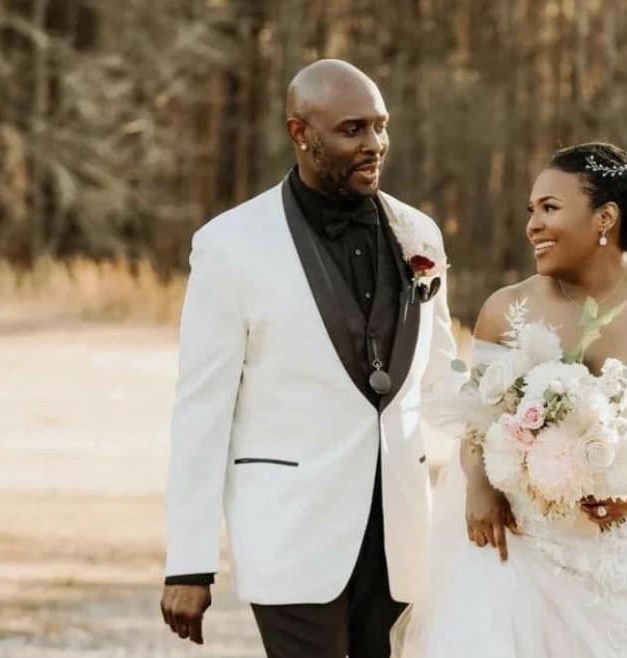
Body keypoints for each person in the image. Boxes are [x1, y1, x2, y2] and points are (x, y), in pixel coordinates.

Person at [394, 142, 627, 658]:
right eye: (530, 210)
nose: (533, 225)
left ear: (605, 218)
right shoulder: (505, 309)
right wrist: (479, 482)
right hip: (517, 560)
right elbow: (478, 425)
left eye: (550, 208)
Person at [159, 59, 460, 658]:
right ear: (301, 133)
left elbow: (442, 373)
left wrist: (520, 433)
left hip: (399, 533)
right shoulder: (230, 245)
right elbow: (201, 412)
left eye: (380, 126)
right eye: (353, 130)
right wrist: (189, 563)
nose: (375, 144)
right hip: (290, 530)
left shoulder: (419, 232)